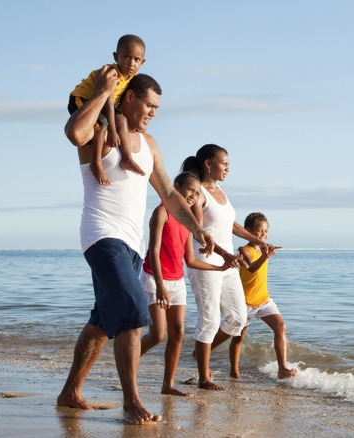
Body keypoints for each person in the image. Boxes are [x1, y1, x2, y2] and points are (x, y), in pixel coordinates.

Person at [57, 69, 215, 425]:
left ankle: (70, 390)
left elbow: (170, 195)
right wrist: (102, 92)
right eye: (149, 105)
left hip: (132, 244)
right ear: (129, 98)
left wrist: (196, 229)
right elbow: (73, 133)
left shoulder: (150, 144)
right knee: (131, 313)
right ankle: (132, 403)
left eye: (157, 108)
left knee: (101, 321)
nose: (153, 113)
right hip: (101, 235)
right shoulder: (100, 131)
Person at [138, 171, 238, 397]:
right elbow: (153, 251)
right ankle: (128, 361)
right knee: (158, 334)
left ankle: (168, 385)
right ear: (175, 187)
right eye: (189, 190)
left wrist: (219, 267)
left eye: (196, 193)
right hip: (155, 279)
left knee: (179, 332)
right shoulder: (162, 212)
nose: (192, 195)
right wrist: (161, 286)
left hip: (176, 280)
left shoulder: (187, 223)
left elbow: (190, 260)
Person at [181, 144, 271, 391]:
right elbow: (197, 232)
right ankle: (204, 377)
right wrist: (223, 255)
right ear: (208, 164)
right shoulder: (198, 193)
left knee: (238, 318)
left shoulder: (220, 191)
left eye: (229, 165)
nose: (228, 169)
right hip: (206, 263)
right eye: (224, 164)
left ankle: (202, 354)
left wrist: (257, 240)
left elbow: (231, 225)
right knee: (209, 320)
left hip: (227, 263)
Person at [216, 212, 297, 379]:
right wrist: (265, 257)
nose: (264, 235)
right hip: (244, 301)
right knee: (238, 337)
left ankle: (282, 368)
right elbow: (252, 268)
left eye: (266, 232)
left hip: (263, 299)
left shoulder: (263, 249)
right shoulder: (243, 249)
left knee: (280, 326)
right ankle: (233, 370)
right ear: (247, 231)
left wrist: (265, 254)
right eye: (260, 231)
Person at [68, 34, 146, 185]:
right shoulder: (112, 74)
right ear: (116, 57)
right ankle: (96, 163)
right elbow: (109, 103)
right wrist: (113, 130)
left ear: (142, 62)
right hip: (82, 99)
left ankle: (127, 158)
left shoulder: (131, 77)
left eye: (136, 60)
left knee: (121, 119)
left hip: (104, 105)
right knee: (102, 124)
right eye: (126, 57)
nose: (131, 63)